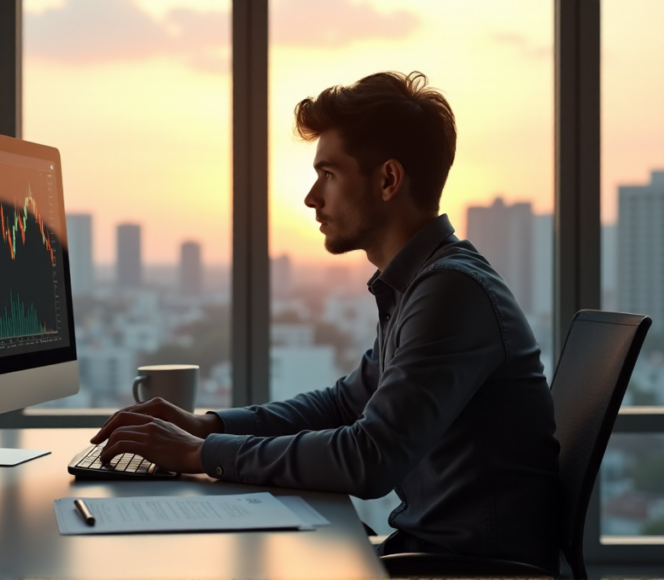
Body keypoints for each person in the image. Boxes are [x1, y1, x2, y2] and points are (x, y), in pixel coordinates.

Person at [92, 71, 560, 571]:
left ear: (387, 180)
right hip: (426, 553)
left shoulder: (450, 291)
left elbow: (369, 458)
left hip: (461, 569)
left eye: (329, 174)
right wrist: (207, 427)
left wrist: (197, 455)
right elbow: (344, 404)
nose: (312, 197)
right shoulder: (420, 283)